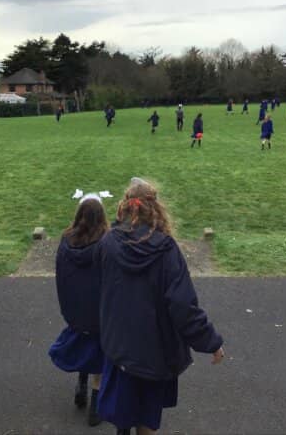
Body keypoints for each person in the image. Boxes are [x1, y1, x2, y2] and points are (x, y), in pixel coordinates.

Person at [97, 179, 224, 435]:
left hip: (119, 344)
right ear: (155, 208)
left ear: (125, 206)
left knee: (124, 405)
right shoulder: (166, 251)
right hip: (154, 351)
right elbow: (183, 305)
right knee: (147, 416)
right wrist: (211, 341)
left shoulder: (109, 242)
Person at [49, 194, 108, 427]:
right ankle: (95, 405)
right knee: (100, 353)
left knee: (84, 342)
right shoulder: (106, 243)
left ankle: (81, 385)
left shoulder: (66, 240)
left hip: (75, 311)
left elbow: (61, 276)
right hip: (99, 315)